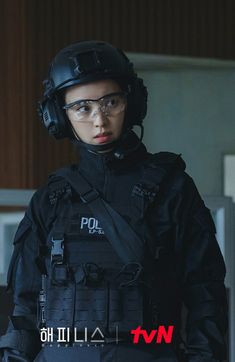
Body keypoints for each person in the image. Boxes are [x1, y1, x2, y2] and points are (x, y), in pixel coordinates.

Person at [0, 41, 227, 362]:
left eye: (110, 102)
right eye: (83, 108)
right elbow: (24, 308)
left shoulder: (172, 189)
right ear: (58, 116)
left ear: (131, 103)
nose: (99, 120)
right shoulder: (51, 199)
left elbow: (206, 296)